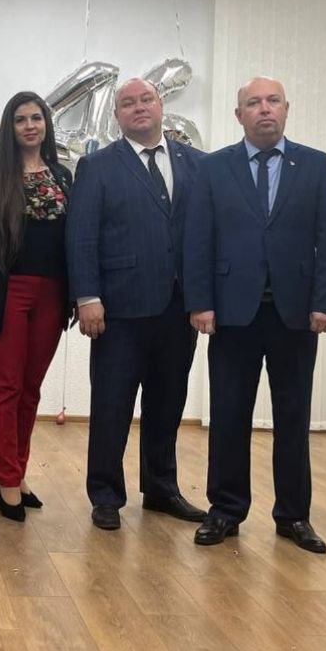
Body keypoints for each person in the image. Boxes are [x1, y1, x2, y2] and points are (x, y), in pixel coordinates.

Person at [184, 76, 326, 554]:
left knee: (293, 417)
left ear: (287, 108)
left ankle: (293, 515)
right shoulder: (214, 168)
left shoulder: (314, 164)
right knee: (228, 414)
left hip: (295, 315)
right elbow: (198, 239)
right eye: (253, 103)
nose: (264, 109)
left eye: (272, 100)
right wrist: (200, 302)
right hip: (233, 314)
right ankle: (225, 510)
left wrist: (325, 302)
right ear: (239, 115)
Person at [66, 77, 207, 532]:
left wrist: (205, 298)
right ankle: (106, 495)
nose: (139, 107)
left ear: (161, 105)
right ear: (117, 116)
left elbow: (207, 236)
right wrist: (87, 297)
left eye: (147, 99)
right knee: (112, 406)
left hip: (178, 308)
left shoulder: (197, 163)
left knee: (167, 404)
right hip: (119, 311)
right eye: (128, 103)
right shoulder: (97, 166)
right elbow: (81, 236)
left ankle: (162, 490)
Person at [0, 92, 72, 521]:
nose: (30, 126)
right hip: (8, 291)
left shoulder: (63, 176)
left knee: (31, 388)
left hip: (53, 294)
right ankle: (6, 478)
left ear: (46, 124)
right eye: (21, 119)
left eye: (36, 118)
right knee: (6, 387)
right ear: (9, 128)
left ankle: (18, 472)